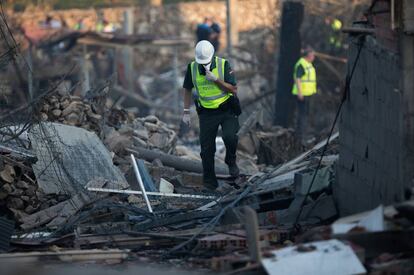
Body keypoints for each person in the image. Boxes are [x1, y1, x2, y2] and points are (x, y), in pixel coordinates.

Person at [182, 40, 240, 190]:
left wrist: (216, 80)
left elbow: (233, 89)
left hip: (227, 110)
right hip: (207, 114)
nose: (203, 64)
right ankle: (209, 183)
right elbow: (187, 88)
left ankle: (231, 161)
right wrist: (186, 111)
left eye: (206, 61)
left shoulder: (223, 65)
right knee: (206, 150)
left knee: (230, 137)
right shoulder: (193, 67)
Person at [292, 48, 317, 143]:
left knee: (306, 115)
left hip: (308, 93)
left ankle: (305, 136)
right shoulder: (301, 64)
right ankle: (301, 137)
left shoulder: (308, 64)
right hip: (303, 94)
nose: (314, 57)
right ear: (308, 55)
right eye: (313, 55)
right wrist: (300, 92)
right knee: (302, 116)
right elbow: (297, 79)